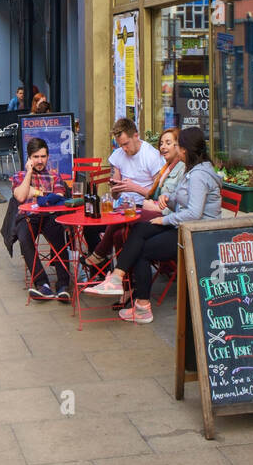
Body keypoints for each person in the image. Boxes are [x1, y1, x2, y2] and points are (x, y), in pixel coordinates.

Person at [87, 126, 222, 322]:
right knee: (141, 229)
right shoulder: (192, 170)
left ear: (186, 149)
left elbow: (194, 213)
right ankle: (117, 278)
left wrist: (165, 218)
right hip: (184, 226)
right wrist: (169, 199)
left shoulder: (199, 175)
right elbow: (184, 199)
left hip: (196, 235)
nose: (175, 148)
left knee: (142, 250)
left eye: (178, 145)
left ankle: (141, 306)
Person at [86, 123, 180, 274]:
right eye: (120, 145)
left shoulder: (150, 155)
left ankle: (109, 263)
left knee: (119, 233)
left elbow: (157, 192)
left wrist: (134, 187)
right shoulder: (118, 155)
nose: (123, 148)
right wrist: (116, 189)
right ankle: (103, 273)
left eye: (126, 144)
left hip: (145, 206)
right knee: (90, 225)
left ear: (136, 136)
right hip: (123, 206)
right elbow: (115, 193)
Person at [11, 137, 72, 301]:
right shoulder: (20, 176)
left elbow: (59, 197)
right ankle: (42, 284)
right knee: (24, 238)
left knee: (59, 233)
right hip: (28, 217)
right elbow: (21, 196)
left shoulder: (54, 176)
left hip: (49, 216)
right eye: (36, 157)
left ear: (48, 157)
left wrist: (37, 193)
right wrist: (29, 173)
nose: (40, 160)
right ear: (29, 158)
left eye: (43, 156)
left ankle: (63, 285)